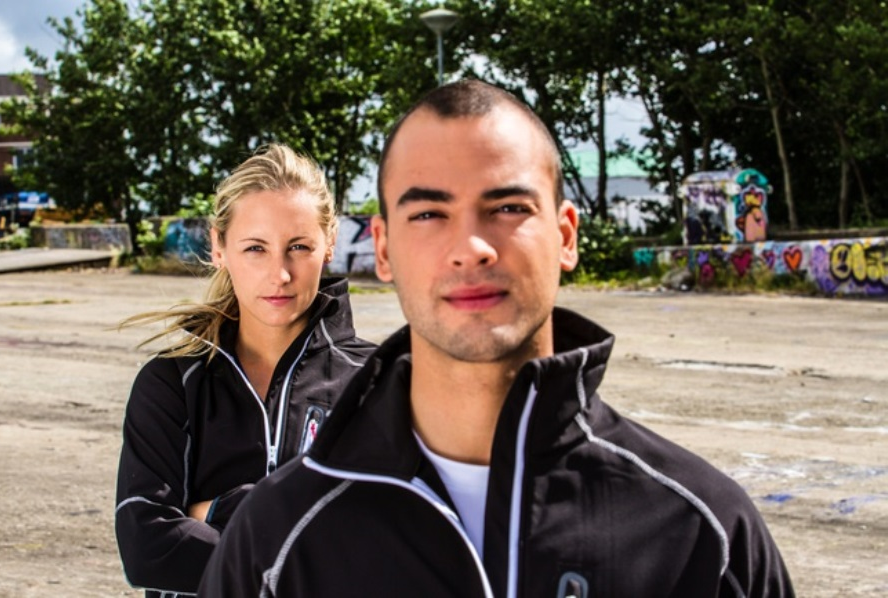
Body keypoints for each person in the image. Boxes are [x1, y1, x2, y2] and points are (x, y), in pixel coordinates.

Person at [198, 80, 795, 597]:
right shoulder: (277, 541)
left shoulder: (702, 532)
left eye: (508, 207)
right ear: (383, 249)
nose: (471, 248)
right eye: (428, 214)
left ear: (565, 235)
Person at [114, 143, 375, 596]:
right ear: (219, 247)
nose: (280, 274)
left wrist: (211, 512)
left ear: (329, 242)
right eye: (256, 248)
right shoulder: (172, 383)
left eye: (299, 247)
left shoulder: (374, 382)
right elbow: (148, 548)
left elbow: (385, 544)